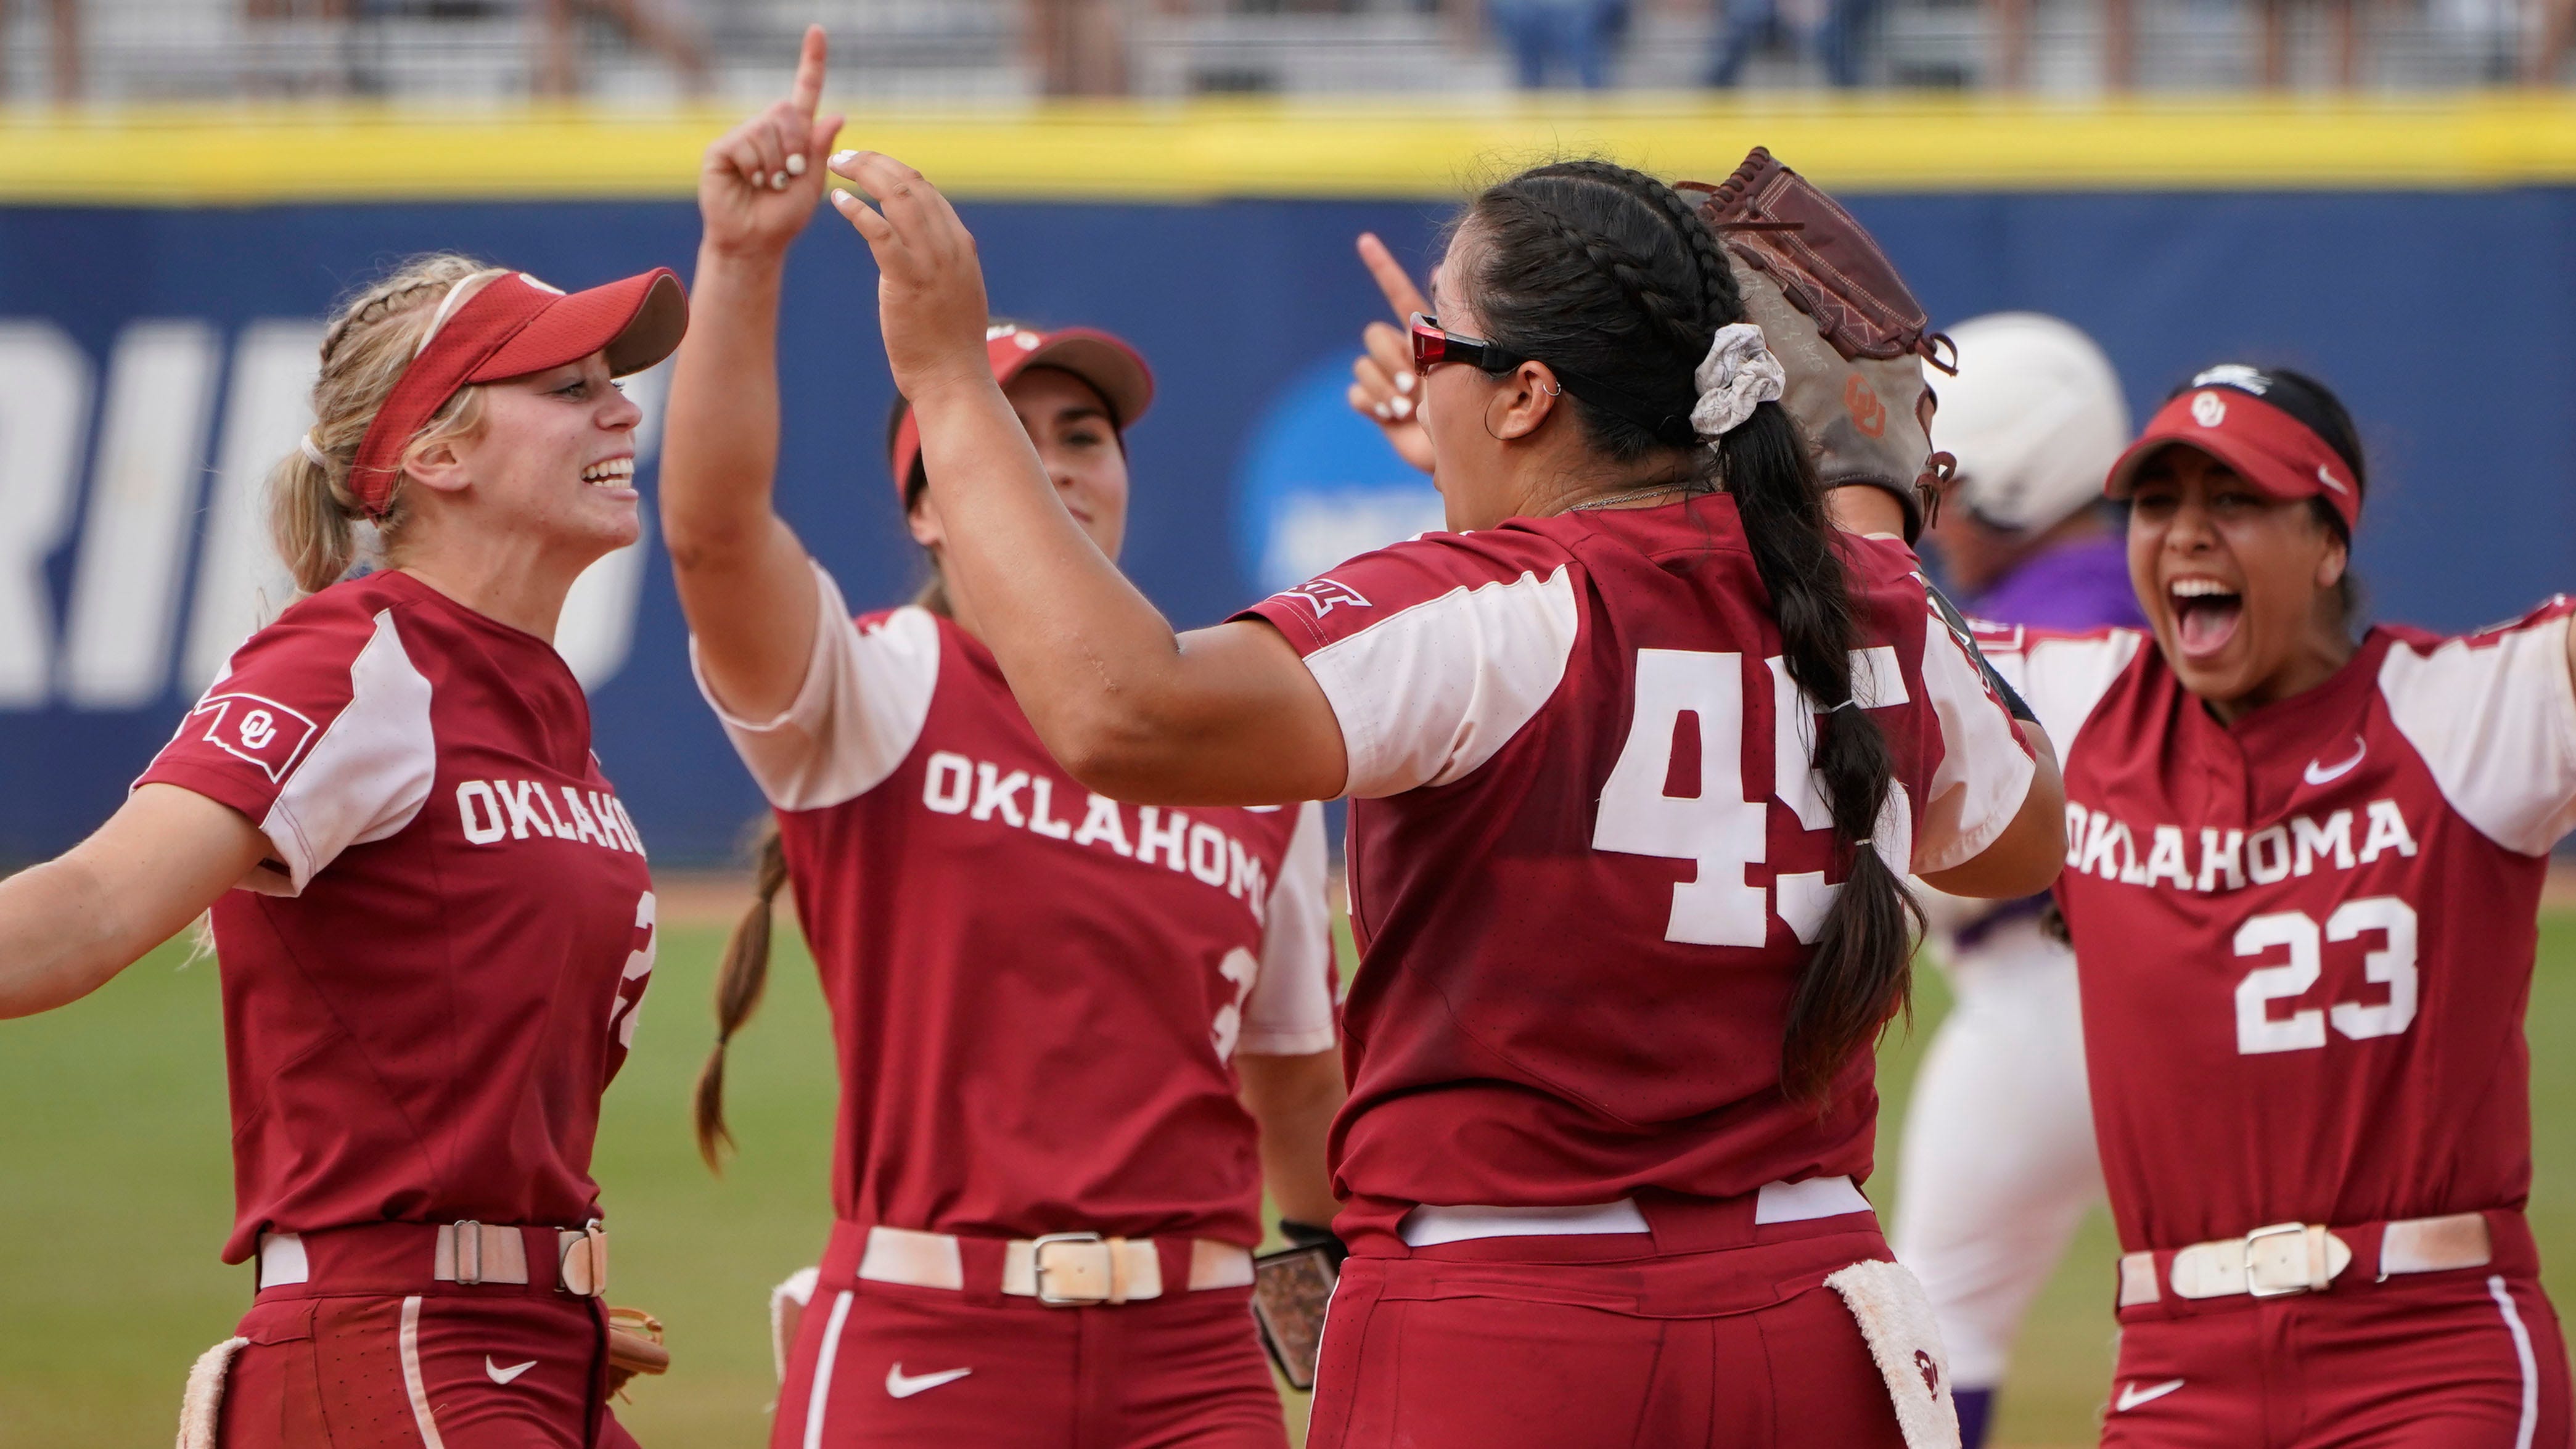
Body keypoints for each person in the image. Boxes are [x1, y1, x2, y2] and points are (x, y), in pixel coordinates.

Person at [821, 145, 2067, 1446]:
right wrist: (1862, 521)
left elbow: (1123, 710)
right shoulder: (1852, 597)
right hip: (1811, 1311)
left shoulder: (1491, 607)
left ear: (1527, 392)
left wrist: (949, 381)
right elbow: (2015, 833)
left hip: (1514, 1323)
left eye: (1439, 334)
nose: (1417, 361)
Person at [661, 31, 1343, 1449]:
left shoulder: (1231, 716)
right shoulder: (881, 688)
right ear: (927, 506)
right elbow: (714, 533)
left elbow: (1290, 1057)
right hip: (935, 1336)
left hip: (1197, 1354)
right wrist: (742, 264)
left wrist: (1322, 1247)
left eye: (1083, 434)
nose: (1053, 465)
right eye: (1003, 436)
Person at [0, 252, 687, 1448]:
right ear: (437, 453)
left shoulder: (539, 706)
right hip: (399, 1353)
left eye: (610, 383)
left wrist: (529, 1281)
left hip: (511, 1346)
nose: (623, 408)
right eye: (569, 386)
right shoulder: (356, 660)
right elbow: (94, 903)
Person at [1975, 363, 2576, 1447]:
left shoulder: (2463, 715)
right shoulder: (2082, 706)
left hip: (2430, 1355)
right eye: (2158, 504)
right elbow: (1851, 633)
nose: (2187, 533)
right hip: (2174, 1367)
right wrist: (1850, 460)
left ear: (2330, 542)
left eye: (2237, 500)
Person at [1890, 311, 2137, 1449]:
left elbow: (1963, 866)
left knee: (1930, 1327)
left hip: (2047, 1006)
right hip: (2190, 997)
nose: (1933, 511)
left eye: (1949, 480)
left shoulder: (2023, 627)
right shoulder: (2164, 597)